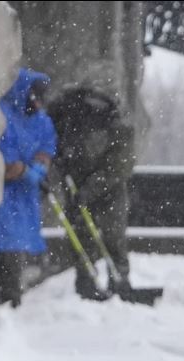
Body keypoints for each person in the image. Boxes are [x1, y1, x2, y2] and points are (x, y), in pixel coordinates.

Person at [46, 85, 135, 301]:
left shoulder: (115, 128)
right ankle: (89, 282)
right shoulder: (71, 122)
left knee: (111, 235)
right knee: (85, 234)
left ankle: (116, 282)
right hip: (80, 185)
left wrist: (89, 189)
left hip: (101, 187)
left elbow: (117, 167)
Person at [0, 68, 57, 307]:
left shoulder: (42, 121)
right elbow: (6, 161)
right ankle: (8, 298)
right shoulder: (3, 115)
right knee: (5, 246)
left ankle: (11, 296)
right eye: (35, 98)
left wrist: (38, 168)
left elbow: (46, 149)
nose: (38, 104)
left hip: (25, 198)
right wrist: (22, 171)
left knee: (16, 246)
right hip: (4, 196)